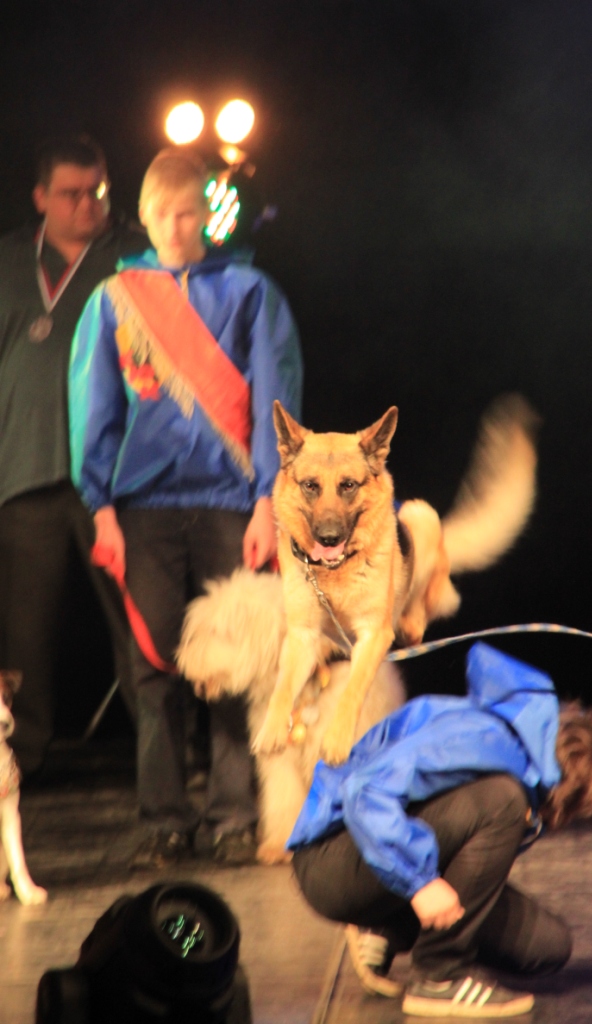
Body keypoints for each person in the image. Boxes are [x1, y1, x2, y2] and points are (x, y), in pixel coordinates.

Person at [69, 148, 303, 869]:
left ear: (208, 215)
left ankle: (234, 813)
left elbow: (276, 401)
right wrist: (100, 508)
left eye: (188, 213)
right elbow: (94, 409)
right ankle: (165, 817)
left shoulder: (250, 291)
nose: (175, 226)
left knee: (237, 662)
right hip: (143, 506)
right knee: (153, 666)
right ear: (142, 217)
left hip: (231, 501)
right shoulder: (115, 297)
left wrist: (268, 501)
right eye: (163, 214)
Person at [288, 641, 592, 1018]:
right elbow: (365, 793)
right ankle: (438, 976)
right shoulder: (482, 741)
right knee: (504, 802)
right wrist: (420, 883)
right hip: (332, 860)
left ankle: (388, 921)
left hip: (384, 861)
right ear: (571, 795)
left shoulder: (546, 750)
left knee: (546, 947)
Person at [0, 135, 148, 776]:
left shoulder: (136, 255)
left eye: (97, 191)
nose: (87, 204)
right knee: (22, 634)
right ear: (41, 198)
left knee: (138, 623)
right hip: (23, 469)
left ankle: (163, 758)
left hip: (112, 478)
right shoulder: (9, 261)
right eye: (71, 193)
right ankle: (17, 764)